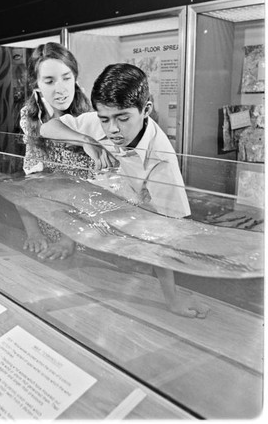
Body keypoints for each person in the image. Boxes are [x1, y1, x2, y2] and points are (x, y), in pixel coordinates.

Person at [40, 63, 209, 318]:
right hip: (97, 222)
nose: (113, 130)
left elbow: (164, 237)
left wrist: (172, 301)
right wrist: (85, 139)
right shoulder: (100, 121)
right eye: (104, 119)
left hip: (138, 230)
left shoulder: (161, 161)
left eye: (123, 118)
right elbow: (47, 128)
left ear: (146, 110)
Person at [18, 42, 93, 260]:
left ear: (76, 79)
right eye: (49, 81)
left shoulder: (92, 120)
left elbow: (93, 191)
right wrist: (33, 232)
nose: (59, 89)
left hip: (84, 235)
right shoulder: (29, 117)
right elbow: (28, 184)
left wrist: (68, 240)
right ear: (37, 84)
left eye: (66, 78)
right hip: (46, 230)